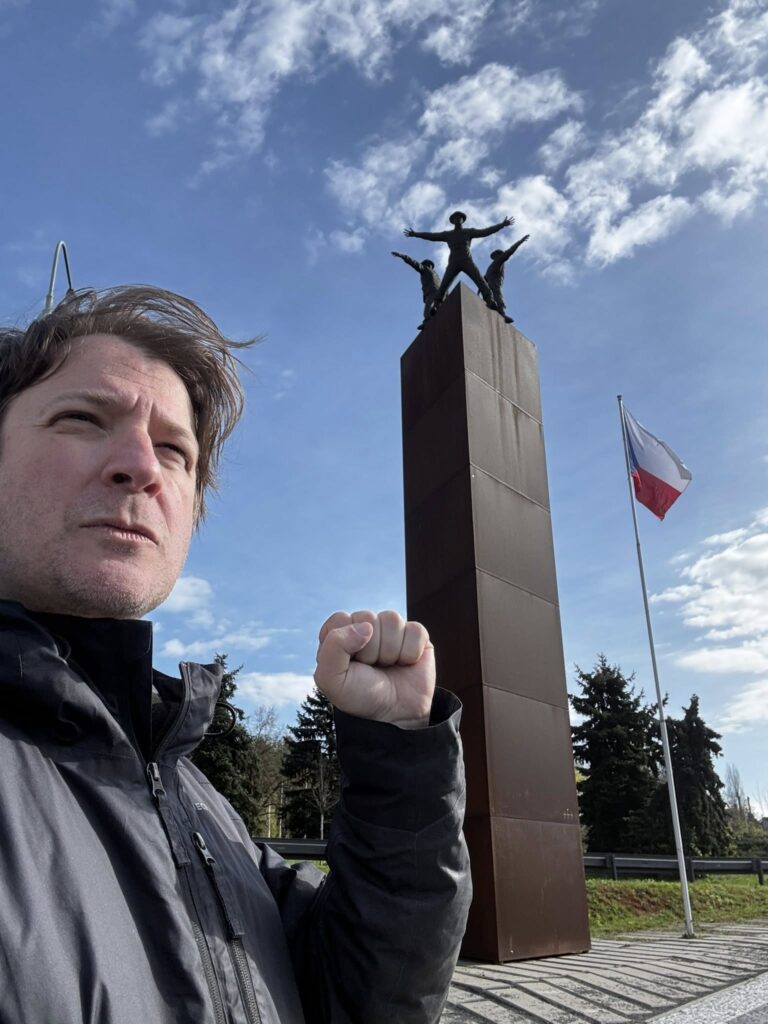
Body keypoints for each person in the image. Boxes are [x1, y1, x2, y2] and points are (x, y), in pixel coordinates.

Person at [0, 286, 471, 1024]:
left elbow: (360, 1002)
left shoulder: (196, 801)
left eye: (174, 451)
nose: (141, 466)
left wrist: (400, 761)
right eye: (82, 419)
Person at [403, 210, 514, 313]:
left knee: (480, 280)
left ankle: (490, 300)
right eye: (455, 218)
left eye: (459, 217)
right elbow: (432, 236)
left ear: (462, 220)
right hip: (453, 262)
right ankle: (436, 305)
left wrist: (502, 225)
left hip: (467, 261)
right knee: (444, 285)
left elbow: (485, 231)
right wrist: (416, 234)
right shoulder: (448, 234)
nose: (457, 219)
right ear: (453, 221)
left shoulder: (468, 232)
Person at [482, 234, 530, 324]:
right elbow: (485, 277)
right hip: (489, 286)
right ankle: (497, 313)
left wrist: (519, 242)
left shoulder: (499, 262)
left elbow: (510, 251)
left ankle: (502, 313)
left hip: (495, 284)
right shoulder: (492, 265)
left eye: (498, 255)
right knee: (492, 299)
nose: (498, 257)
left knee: (497, 297)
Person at [390, 250, 441, 329]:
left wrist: (402, 256)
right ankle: (436, 317)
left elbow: (413, 263)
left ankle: (427, 322)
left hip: (431, 292)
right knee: (436, 309)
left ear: (426, 264)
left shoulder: (425, 269)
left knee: (427, 309)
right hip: (440, 293)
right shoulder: (437, 275)